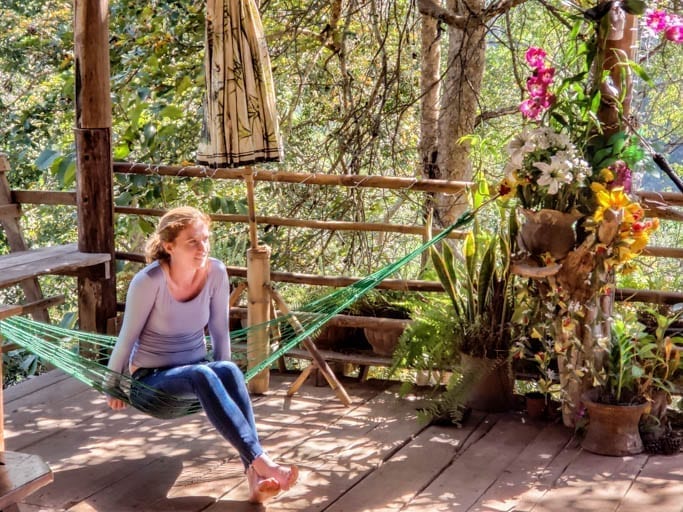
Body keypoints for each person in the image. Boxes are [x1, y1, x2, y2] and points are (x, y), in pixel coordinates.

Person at [105, 206, 298, 503]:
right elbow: (126, 337)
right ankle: (262, 462)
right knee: (202, 372)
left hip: (196, 372)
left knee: (228, 370)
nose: (203, 247)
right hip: (151, 382)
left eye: (205, 239)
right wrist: (113, 385)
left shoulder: (216, 272)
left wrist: (225, 371)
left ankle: (254, 477)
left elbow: (220, 332)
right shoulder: (149, 282)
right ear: (169, 247)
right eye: (192, 242)